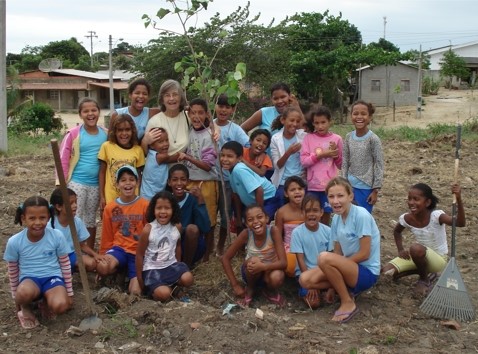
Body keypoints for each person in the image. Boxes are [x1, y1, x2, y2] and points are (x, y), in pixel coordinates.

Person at [299, 177, 381, 323]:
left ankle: (347, 302)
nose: (335, 201)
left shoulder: (361, 215)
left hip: (366, 272)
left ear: (350, 196)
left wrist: (340, 265)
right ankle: (344, 289)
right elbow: (337, 253)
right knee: (305, 280)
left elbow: (365, 253)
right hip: (349, 268)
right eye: (331, 196)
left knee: (324, 257)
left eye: (340, 196)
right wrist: (333, 285)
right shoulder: (336, 219)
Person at [381, 183, 466, 296]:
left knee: (415, 249)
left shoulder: (437, 216)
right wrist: (400, 249)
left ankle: (424, 279)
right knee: (386, 272)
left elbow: (460, 223)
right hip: (419, 256)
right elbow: (397, 231)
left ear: (427, 202)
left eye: (416, 199)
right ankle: (428, 273)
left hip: (437, 259)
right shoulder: (407, 218)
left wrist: (459, 199)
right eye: (409, 199)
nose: (411, 202)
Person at [3, 196, 73, 329]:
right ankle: (26, 308)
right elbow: (12, 271)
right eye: (32, 218)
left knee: (61, 305)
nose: (38, 222)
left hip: (52, 278)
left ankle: (45, 302)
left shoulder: (56, 236)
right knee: (23, 293)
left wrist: (69, 293)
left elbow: (65, 264)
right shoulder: (15, 241)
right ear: (23, 218)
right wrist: (16, 298)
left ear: (49, 217)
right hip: (30, 279)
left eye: (42, 217)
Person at [59, 97, 108, 249]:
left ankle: (88, 251)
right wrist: (60, 183)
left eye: (93, 110)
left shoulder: (106, 134)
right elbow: (63, 158)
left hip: (96, 185)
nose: (90, 114)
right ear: (80, 114)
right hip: (77, 183)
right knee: (74, 216)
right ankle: (71, 251)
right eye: (86, 111)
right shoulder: (74, 134)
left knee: (90, 219)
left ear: (99, 112)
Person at [97, 165, 149, 295]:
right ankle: (116, 274)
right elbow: (107, 235)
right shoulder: (110, 208)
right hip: (118, 249)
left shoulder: (145, 205)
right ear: (117, 184)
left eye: (131, 179)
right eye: (123, 180)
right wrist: (103, 255)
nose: (128, 183)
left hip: (137, 252)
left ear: (137, 183)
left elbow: (150, 233)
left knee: (135, 292)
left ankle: (129, 276)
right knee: (103, 267)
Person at [221, 204, 287, 308]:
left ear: (267, 218)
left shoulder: (273, 231)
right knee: (254, 260)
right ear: (246, 224)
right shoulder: (246, 234)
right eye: (250, 219)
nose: (256, 221)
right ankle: (250, 289)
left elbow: (283, 263)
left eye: (260, 217)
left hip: (269, 271)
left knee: (277, 276)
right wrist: (235, 285)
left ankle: (269, 290)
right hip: (251, 273)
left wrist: (264, 267)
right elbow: (225, 258)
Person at [178, 98, 218, 262]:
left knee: (208, 221)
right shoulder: (187, 130)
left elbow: (208, 166)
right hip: (190, 182)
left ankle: (207, 256)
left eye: (200, 112)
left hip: (206, 183)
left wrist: (187, 157)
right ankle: (194, 253)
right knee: (191, 219)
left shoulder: (210, 136)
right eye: (192, 112)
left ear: (207, 114)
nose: (196, 116)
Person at [136, 191, 194, 302]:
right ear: (153, 210)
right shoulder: (148, 229)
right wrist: (140, 280)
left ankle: (173, 286)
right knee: (164, 295)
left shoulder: (177, 227)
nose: (163, 212)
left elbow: (177, 246)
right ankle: (165, 290)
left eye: (167, 208)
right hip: (153, 270)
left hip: (170, 266)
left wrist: (178, 265)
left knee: (188, 279)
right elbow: (139, 255)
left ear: (173, 210)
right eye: (159, 208)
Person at [214, 94, 250, 256]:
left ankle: (229, 246)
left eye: (227, 107)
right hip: (211, 177)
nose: (223, 110)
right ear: (215, 107)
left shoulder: (235, 129)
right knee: (213, 214)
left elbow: (248, 146)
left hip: (229, 181)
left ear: (233, 110)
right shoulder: (209, 126)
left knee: (228, 212)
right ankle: (218, 246)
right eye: (220, 106)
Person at [300, 106, 343, 225]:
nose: (320, 126)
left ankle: (325, 240)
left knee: (326, 215)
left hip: (329, 187)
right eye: (316, 123)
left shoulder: (337, 139)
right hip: (312, 186)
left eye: (323, 122)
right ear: (313, 123)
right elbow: (304, 161)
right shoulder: (308, 138)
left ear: (330, 122)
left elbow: (340, 164)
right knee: (311, 213)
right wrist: (321, 155)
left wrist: (335, 155)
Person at [220, 141, 276, 227]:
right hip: (254, 202)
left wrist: (258, 213)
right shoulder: (230, 170)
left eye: (230, 156)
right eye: (222, 155)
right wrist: (238, 217)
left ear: (239, 158)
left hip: (268, 199)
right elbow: (236, 195)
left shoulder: (239, 169)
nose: (224, 159)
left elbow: (259, 190)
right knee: (247, 224)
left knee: (259, 224)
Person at [290, 194, 332, 309]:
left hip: (323, 273)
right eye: (308, 211)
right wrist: (311, 284)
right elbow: (300, 260)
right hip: (306, 274)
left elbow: (332, 258)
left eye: (315, 210)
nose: (311, 214)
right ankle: (303, 292)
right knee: (314, 304)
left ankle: (326, 290)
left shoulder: (328, 231)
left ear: (322, 212)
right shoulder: (297, 233)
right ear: (302, 213)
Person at [49, 187, 106, 272]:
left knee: (92, 263)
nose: (75, 206)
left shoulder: (77, 222)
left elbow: (81, 245)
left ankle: (73, 269)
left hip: (71, 255)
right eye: (71, 203)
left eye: (75, 202)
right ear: (58, 207)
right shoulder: (50, 224)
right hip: (54, 257)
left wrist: (95, 255)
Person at [342, 100, 384, 213]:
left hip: (365, 187)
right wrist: (344, 182)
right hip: (349, 186)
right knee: (348, 215)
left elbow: (379, 164)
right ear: (351, 116)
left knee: (363, 217)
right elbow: (345, 161)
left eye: (363, 114)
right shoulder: (348, 137)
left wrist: (375, 190)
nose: (359, 117)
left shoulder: (373, 139)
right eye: (355, 113)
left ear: (370, 117)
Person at [167, 164, 210, 268]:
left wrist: (200, 200)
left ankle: (186, 266)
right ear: (169, 182)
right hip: (169, 245)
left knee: (192, 229)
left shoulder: (192, 199)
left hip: (190, 245)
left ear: (188, 181)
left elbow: (205, 227)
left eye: (183, 179)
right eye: (175, 180)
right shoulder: (165, 200)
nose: (179, 183)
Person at [98, 114, 145, 209]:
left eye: (127, 129)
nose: (124, 133)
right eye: (120, 130)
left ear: (133, 131)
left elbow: (139, 177)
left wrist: (138, 196)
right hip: (111, 199)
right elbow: (102, 173)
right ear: (114, 132)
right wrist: (102, 197)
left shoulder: (138, 150)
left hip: (131, 200)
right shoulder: (107, 147)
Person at [142, 79, 190, 163]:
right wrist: (145, 141)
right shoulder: (154, 122)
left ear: (181, 97)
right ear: (162, 99)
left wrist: (215, 128)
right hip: (161, 172)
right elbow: (146, 154)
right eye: (167, 95)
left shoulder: (188, 117)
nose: (171, 98)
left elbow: (206, 120)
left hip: (184, 173)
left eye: (175, 94)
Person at [269, 106, 307, 212]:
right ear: (283, 120)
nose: (294, 124)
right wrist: (288, 152)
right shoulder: (276, 139)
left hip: (301, 180)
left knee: (302, 212)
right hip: (283, 182)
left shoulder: (303, 137)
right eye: (291, 120)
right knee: (284, 211)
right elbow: (277, 165)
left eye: (297, 121)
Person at [274, 176, 306, 277]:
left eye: (300, 189)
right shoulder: (282, 212)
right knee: (291, 266)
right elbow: (277, 235)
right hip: (289, 247)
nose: (297, 192)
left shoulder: (309, 209)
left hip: (308, 245)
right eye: (293, 190)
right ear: (286, 193)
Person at [140, 127, 169, 201]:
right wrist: (184, 156)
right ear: (152, 145)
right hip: (149, 198)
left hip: (148, 195)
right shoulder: (159, 157)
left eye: (167, 140)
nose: (165, 144)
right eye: (161, 142)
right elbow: (176, 157)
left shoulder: (150, 153)